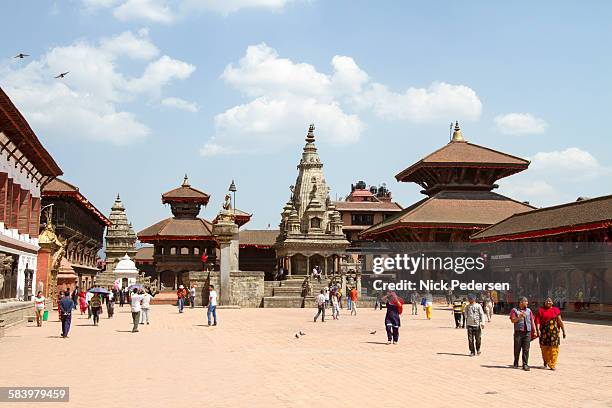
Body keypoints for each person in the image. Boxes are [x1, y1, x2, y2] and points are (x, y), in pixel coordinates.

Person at [536, 297, 566, 370]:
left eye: (550, 301)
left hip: (554, 333)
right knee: (544, 348)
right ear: (545, 302)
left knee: (554, 348)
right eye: (547, 301)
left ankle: (552, 364)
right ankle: (546, 362)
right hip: (543, 332)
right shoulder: (541, 310)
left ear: (552, 302)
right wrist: (538, 330)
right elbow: (537, 322)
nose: (548, 302)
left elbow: (560, 321)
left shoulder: (556, 310)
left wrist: (563, 331)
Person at [510, 297, 538, 371]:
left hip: (527, 332)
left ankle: (525, 364)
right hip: (518, 332)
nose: (527, 303)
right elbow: (513, 321)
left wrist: (534, 331)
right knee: (517, 348)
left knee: (526, 349)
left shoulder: (529, 311)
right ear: (521, 302)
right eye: (526, 302)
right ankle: (516, 362)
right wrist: (519, 317)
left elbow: (532, 321)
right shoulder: (514, 310)